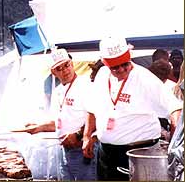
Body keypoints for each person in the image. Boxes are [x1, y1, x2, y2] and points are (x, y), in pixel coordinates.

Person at [82, 37, 182, 181]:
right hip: (105, 153)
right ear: (105, 63)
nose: (121, 69)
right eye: (115, 67)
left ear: (130, 57)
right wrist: (87, 136)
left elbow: (175, 108)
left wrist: (173, 144)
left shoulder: (145, 78)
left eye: (125, 64)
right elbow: (91, 107)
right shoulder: (102, 75)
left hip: (138, 154)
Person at [22, 48, 97, 181]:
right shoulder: (57, 91)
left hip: (83, 149)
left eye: (67, 65)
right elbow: (58, 123)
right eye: (59, 68)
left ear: (72, 64)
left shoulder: (86, 85)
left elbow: (96, 116)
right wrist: (38, 127)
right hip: (64, 150)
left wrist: (78, 135)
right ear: (53, 72)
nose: (65, 71)